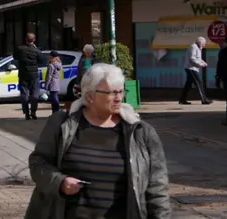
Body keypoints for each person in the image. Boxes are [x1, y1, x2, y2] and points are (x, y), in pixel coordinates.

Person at [25, 63, 171, 219]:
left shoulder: (140, 132)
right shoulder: (61, 124)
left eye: (121, 92)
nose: (119, 98)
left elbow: (157, 188)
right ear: (89, 96)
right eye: (112, 93)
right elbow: (38, 162)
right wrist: (60, 182)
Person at [13, 33, 44, 120]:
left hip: (23, 74)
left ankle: (26, 113)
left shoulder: (19, 48)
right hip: (34, 75)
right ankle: (33, 111)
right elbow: (41, 60)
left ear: (25, 39)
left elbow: (15, 57)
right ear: (34, 40)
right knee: (35, 94)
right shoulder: (36, 50)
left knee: (24, 94)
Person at [180, 36, 212, 105]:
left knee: (188, 85)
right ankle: (204, 100)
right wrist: (200, 64)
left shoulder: (197, 47)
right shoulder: (193, 47)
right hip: (191, 68)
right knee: (199, 83)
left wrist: (202, 61)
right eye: (203, 44)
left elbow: (197, 58)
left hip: (193, 68)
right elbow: (192, 58)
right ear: (200, 42)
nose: (204, 45)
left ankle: (182, 99)